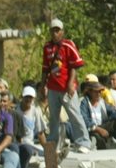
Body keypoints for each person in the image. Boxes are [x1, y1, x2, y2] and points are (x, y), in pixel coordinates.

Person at [39, 18, 92, 154]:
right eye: (53, 30)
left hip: (66, 87)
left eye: (58, 30)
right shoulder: (47, 47)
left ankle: (83, 141)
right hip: (53, 87)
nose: (55, 33)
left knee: (74, 114)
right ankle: (53, 143)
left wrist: (71, 83)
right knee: (54, 117)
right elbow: (45, 68)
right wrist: (42, 85)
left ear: (62, 31)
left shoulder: (68, 45)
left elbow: (75, 65)